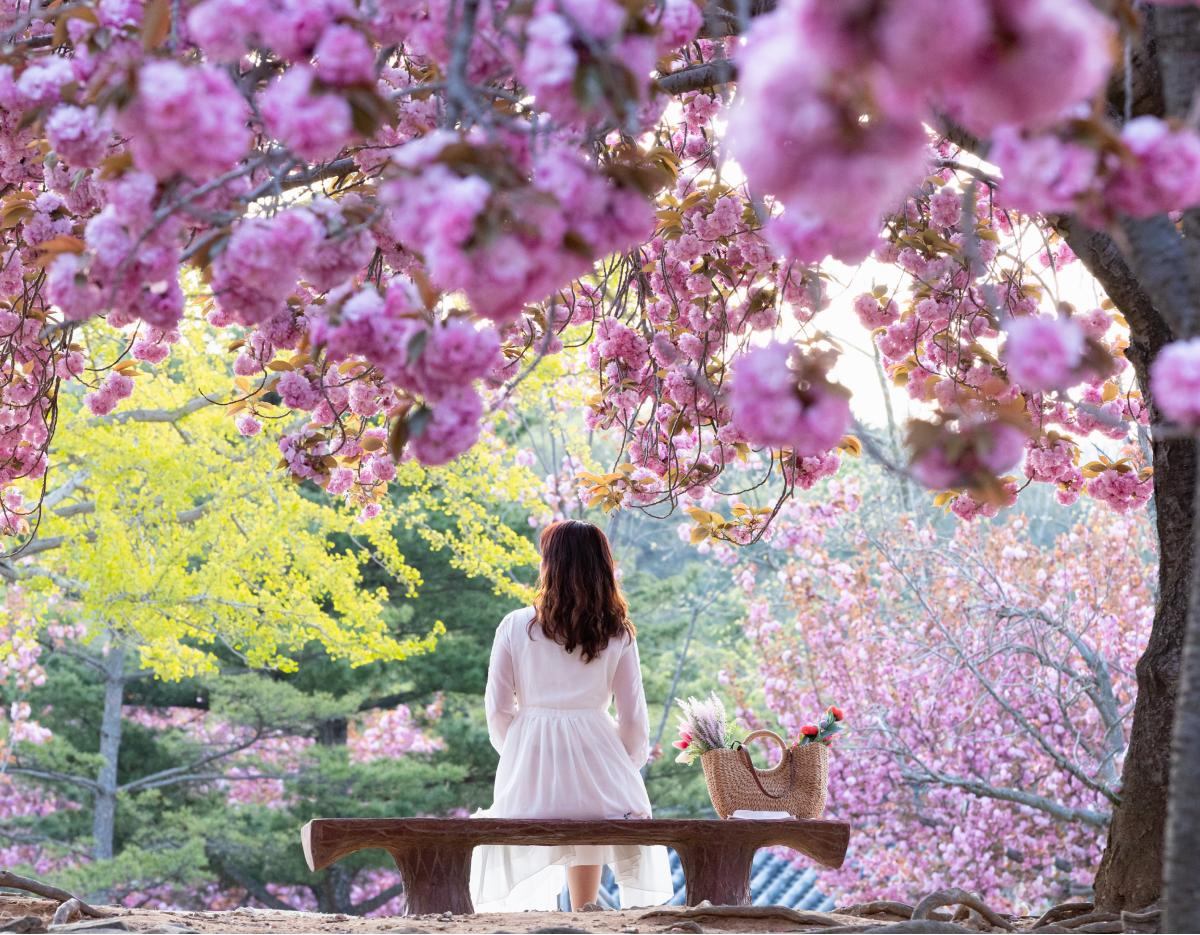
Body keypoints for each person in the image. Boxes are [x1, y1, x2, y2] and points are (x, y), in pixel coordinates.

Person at [468, 520, 673, 912]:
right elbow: (632, 718)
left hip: (530, 757)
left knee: (533, 807)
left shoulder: (515, 625)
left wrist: (520, 750)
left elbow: (497, 709)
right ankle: (586, 908)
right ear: (602, 566)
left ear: (551, 565)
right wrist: (625, 765)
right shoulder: (617, 632)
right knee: (591, 804)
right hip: (599, 760)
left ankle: (535, 915)